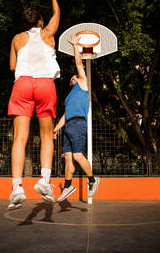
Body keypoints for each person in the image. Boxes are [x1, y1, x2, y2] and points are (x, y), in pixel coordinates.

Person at [7, 0, 60, 210]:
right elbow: (57, 14)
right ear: (40, 20)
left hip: (23, 84)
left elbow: (12, 66)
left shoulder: (17, 39)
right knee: (47, 134)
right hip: (45, 84)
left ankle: (17, 187)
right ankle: (44, 181)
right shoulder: (47, 33)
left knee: (20, 137)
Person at [53, 35, 99, 202]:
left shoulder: (83, 84)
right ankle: (67, 186)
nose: (73, 77)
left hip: (79, 123)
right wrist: (56, 129)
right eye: (72, 77)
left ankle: (93, 180)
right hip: (69, 125)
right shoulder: (68, 97)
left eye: (75, 76)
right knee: (67, 157)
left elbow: (79, 64)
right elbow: (65, 115)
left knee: (78, 156)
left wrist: (75, 45)